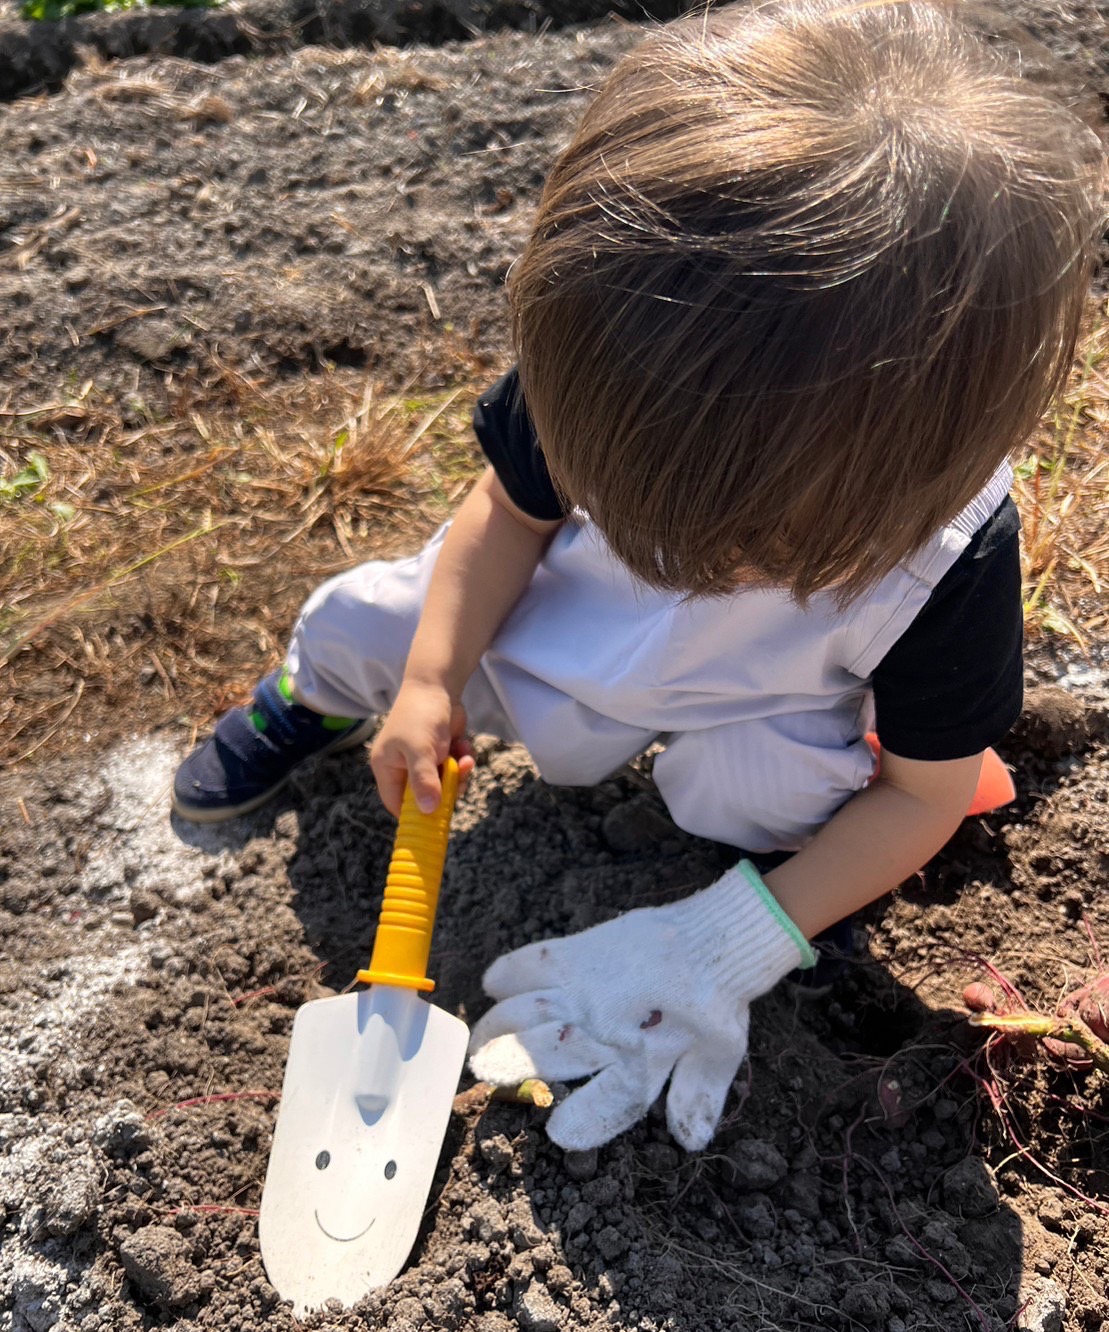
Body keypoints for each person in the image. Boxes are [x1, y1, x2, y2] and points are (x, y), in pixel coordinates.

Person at [173, 0, 1103, 1153]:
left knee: (777, 803)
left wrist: (727, 941)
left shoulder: (949, 565)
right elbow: (505, 519)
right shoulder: (617, 362)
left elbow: (917, 799)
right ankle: (308, 699)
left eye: (746, 554)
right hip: (561, 629)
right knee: (377, 622)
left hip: (761, 694)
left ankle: (760, 859)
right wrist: (427, 681)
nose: (694, 569)